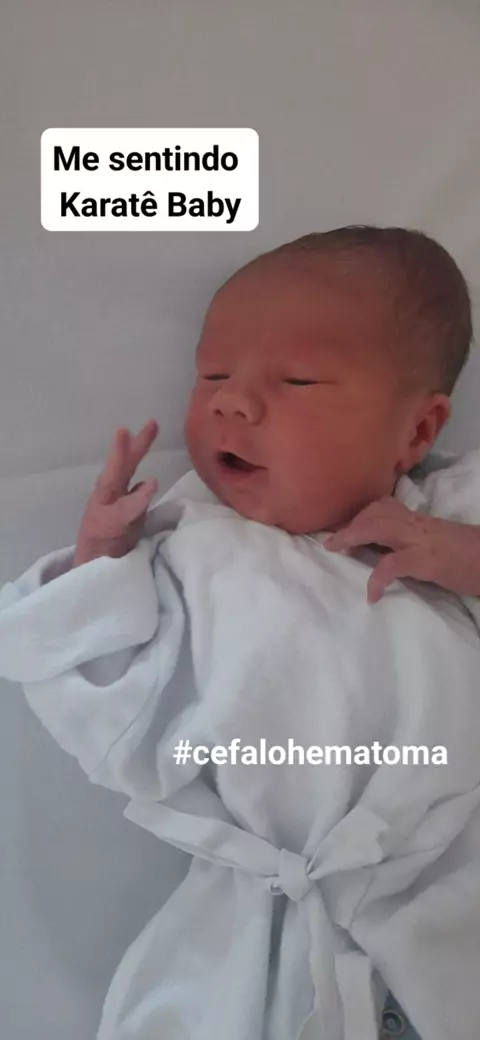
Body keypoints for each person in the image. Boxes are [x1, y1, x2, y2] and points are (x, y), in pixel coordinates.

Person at [2, 226, 480, 1040]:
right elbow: (109, 720)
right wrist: (99, 564)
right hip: (265, 909)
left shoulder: (444, 513)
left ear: (416, 432)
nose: (232, 401)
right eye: (214, 375)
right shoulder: (189, 544)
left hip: (448, 876)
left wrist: (461, 556)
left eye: (296, 380)